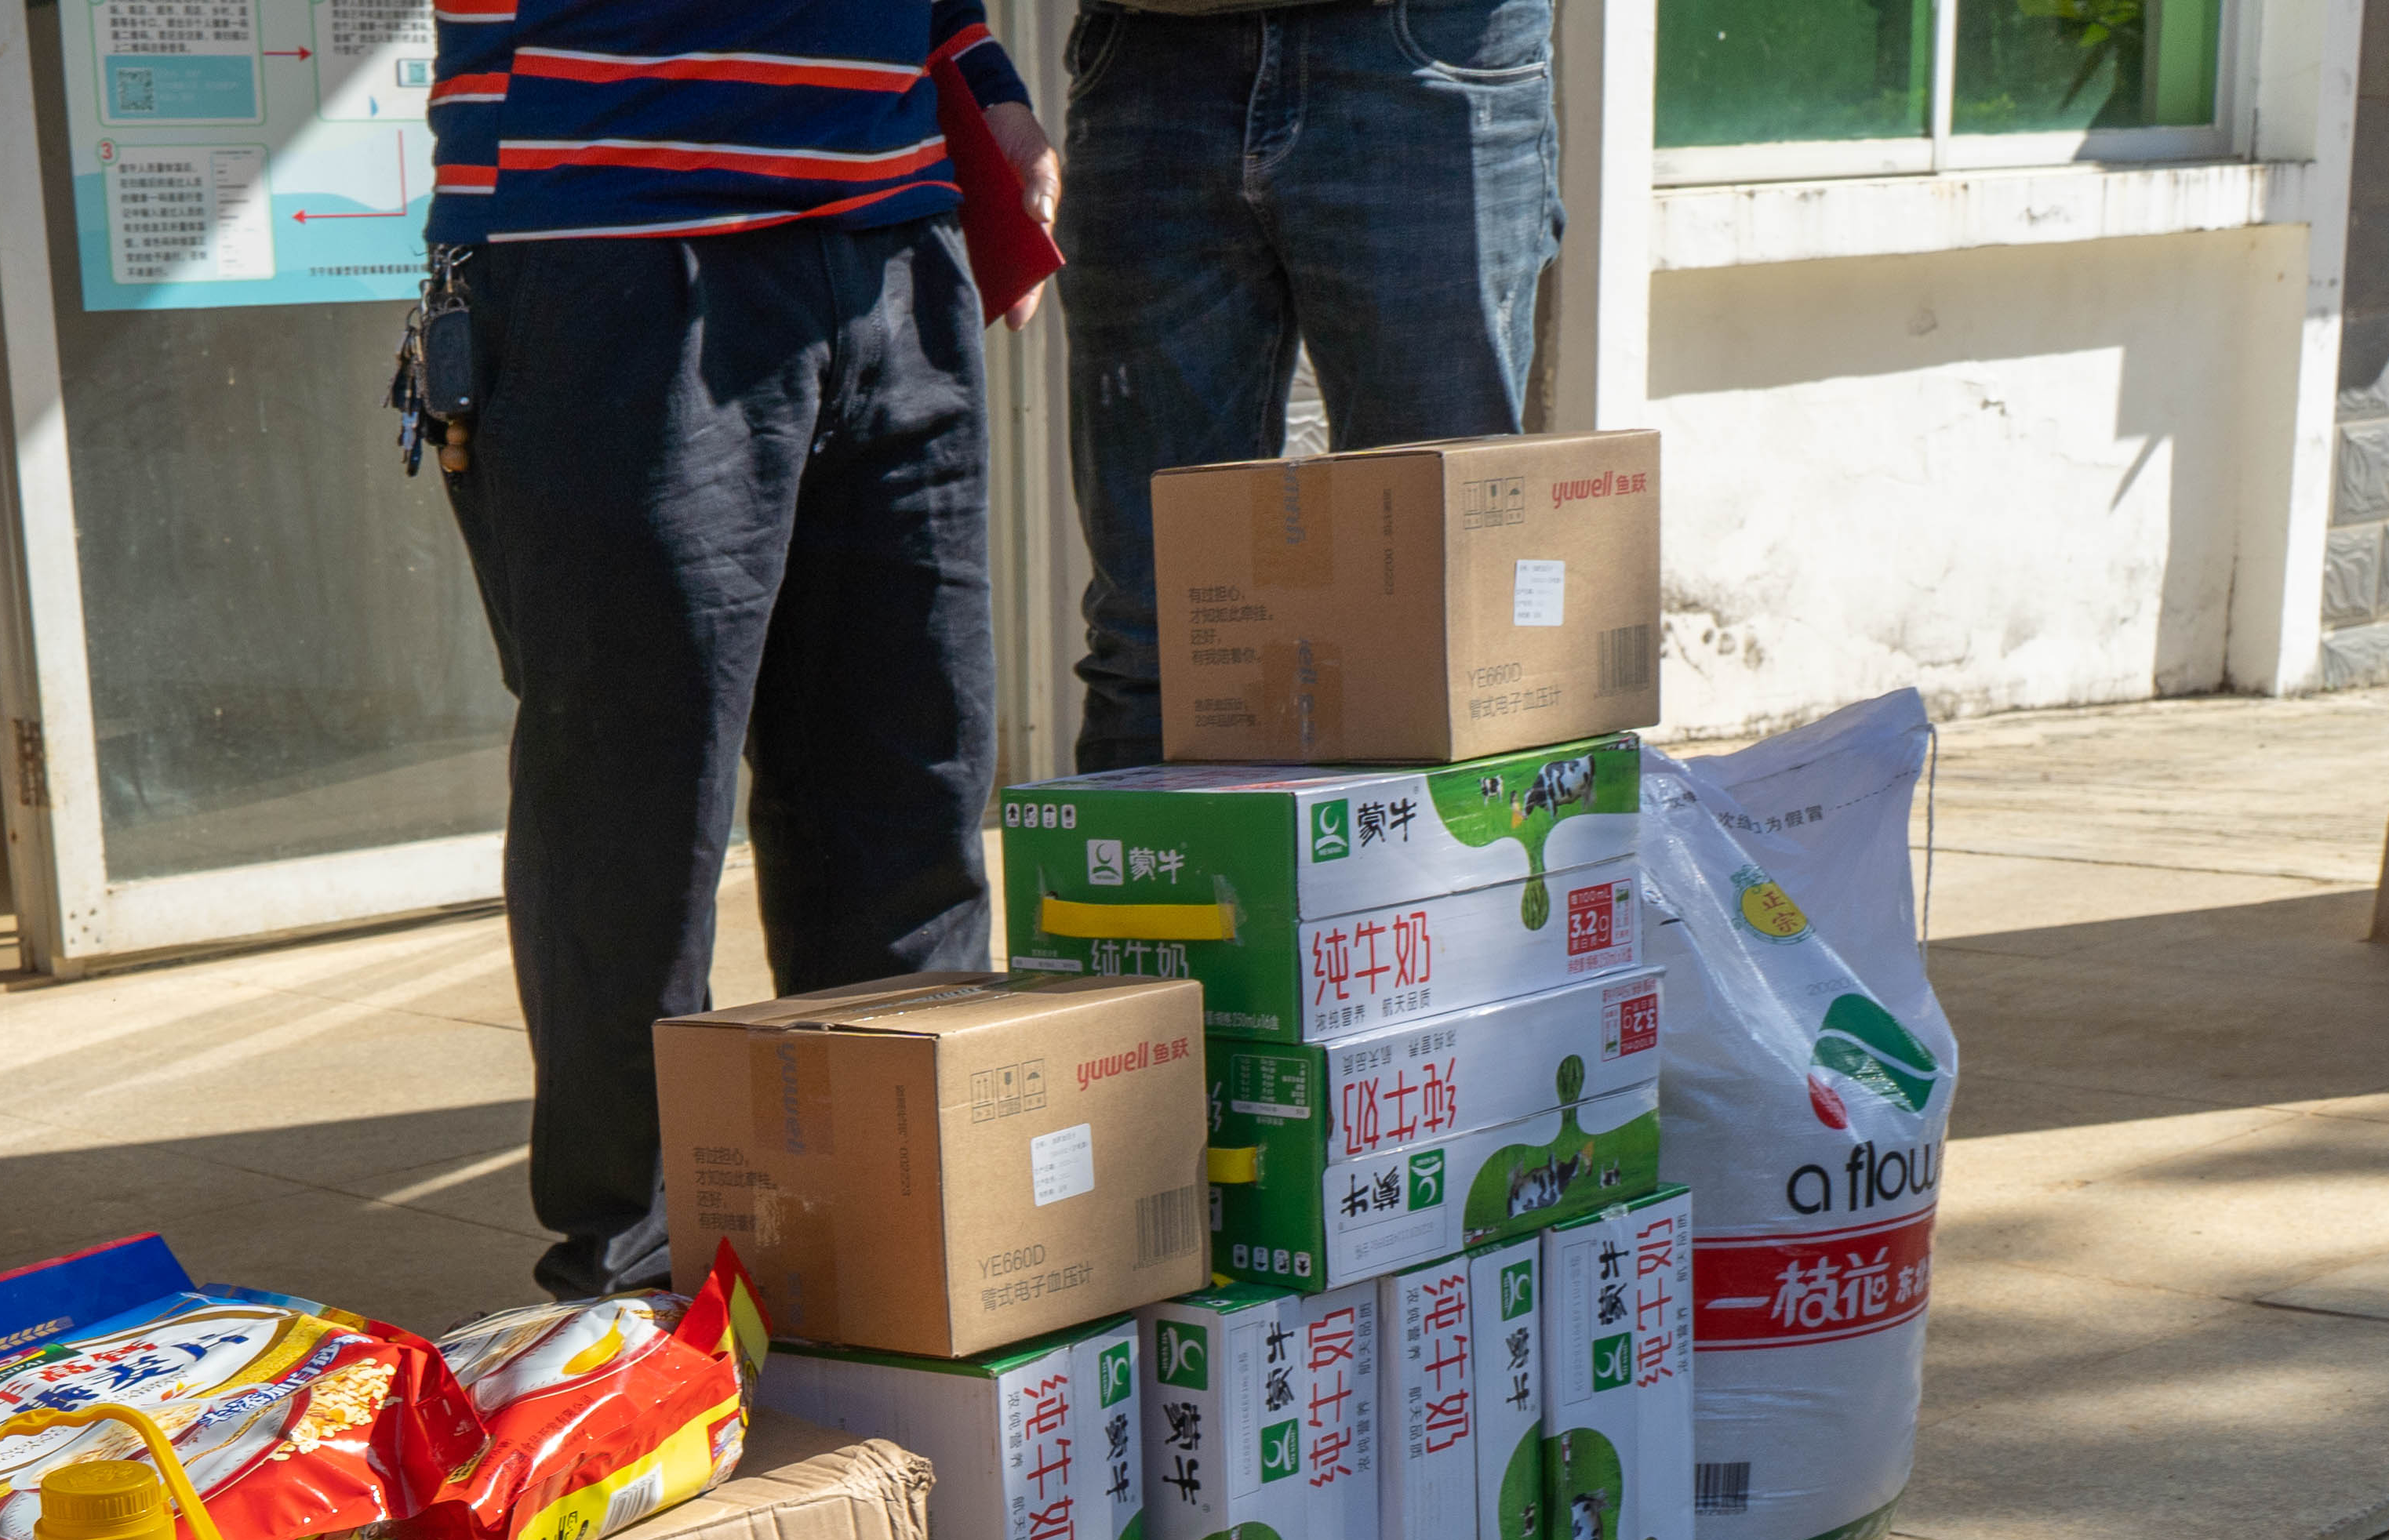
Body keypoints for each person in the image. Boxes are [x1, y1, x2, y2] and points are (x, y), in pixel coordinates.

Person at [430, 0, 1057, 1302]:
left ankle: (895, 1259)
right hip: (610, 232)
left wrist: (976, 64)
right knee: (632, 821)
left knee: (907, 800)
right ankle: (632, 1294)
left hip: (895, 228)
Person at [1055, 0, 1559, 771]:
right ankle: (1157, 894)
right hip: (1149, 48)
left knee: (1449, 632)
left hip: (1429, 42)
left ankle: (1435, 894)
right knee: (1159, 644)